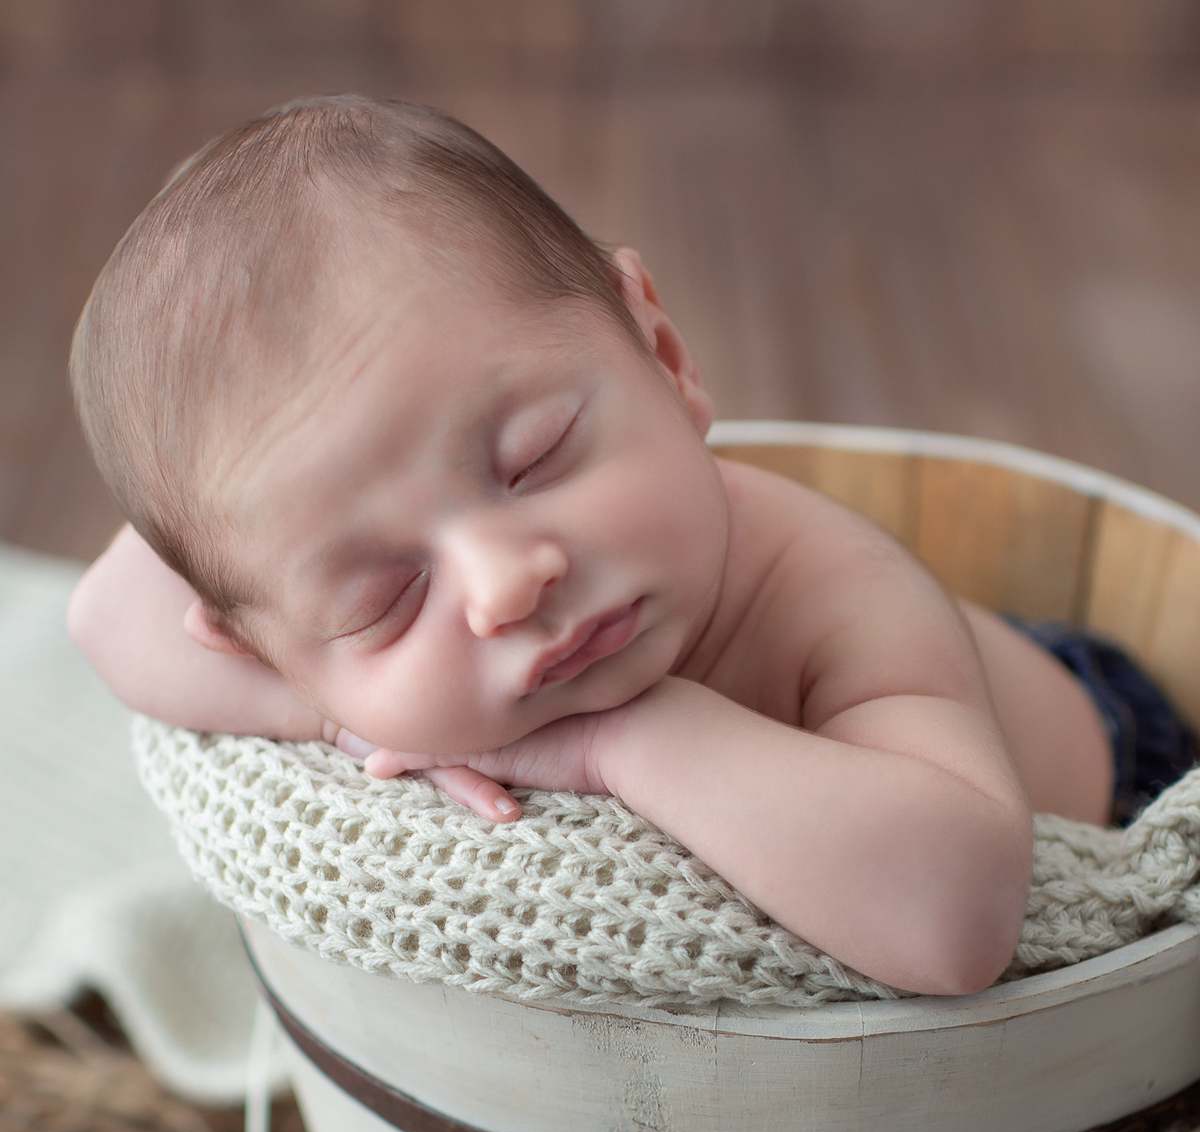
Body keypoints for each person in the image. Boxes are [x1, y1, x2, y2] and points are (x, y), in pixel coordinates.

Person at [64, 96, 1193, 998]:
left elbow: (958, 922)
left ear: (663, 351)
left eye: (535, 457)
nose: (508, 585)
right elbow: (108, 614)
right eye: (385, 599)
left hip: (1086, 780)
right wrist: (343, 711)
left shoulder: (828, 588)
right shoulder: (303, 633)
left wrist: (623, 741)